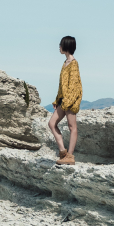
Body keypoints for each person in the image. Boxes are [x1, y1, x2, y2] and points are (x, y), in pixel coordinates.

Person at [49, 35, 81, 165]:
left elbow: (74, 85)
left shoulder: (73, 63)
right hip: (63, 100)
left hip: (70, 101)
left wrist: (67, 102)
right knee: (52, 123)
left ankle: (70, 157)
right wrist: (57, 100)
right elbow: (62, 85)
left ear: (66, 46)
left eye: (61, 45)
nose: (59, 47)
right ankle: (63, 152)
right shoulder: (65, 63)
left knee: (72, 127)